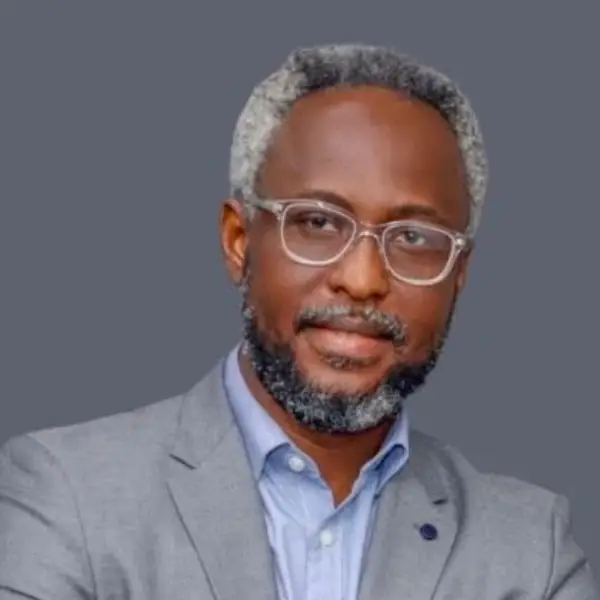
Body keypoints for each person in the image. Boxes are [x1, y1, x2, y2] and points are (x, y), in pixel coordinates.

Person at [0, 43, 597, 600]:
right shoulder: (68, 495)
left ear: (458, 274)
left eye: (414, 237)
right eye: (317, 222)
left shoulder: (530, 551)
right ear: (239, 240)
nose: (362, 279)